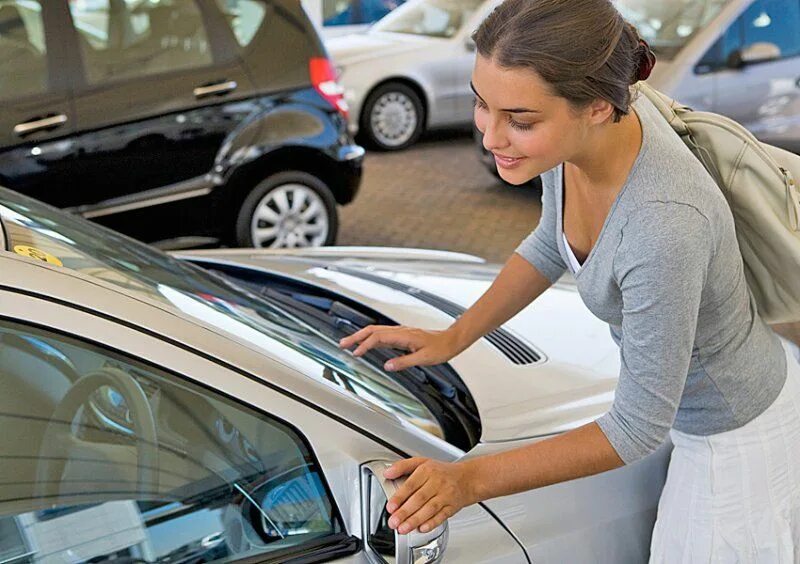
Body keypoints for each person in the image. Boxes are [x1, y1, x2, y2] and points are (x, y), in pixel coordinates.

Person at [338, 0, 800, 559]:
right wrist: (454, 336)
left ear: (598, 107)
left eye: (520, 121)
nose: (490, 136)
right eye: (483, 106)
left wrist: (467, 482)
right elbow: (549, 242)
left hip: (734, 435)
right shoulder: (587, 135)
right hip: (694, 411)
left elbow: (634, 429)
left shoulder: (664, 224)